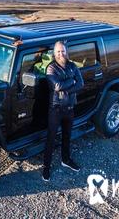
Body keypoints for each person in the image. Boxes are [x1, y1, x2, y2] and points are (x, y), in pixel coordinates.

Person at [42, 41, 84, 181]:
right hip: (56, 109)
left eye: (63, 51)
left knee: (67, 136)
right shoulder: (51, 68)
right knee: (51, 139)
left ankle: (66, 160)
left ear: (67, 52)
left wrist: (69, 87)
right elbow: (57, 86)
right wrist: (72, 82)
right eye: (58, 51)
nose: (61, 54)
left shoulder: (72, 66)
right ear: (54, 53)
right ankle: (46, 168)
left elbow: (81, 84)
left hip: (70, 108)